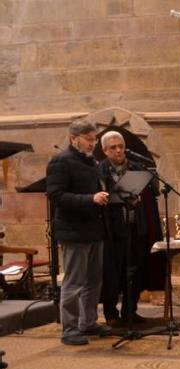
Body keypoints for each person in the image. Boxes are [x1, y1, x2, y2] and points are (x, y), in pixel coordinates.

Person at [46, 119, 110, 345]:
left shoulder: (91, 162)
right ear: (74, 139)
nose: (93, 144)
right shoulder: (61, 161)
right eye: (89, 139)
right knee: (74, 281)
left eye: (94, 139)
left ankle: (88, 323)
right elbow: (56, 196)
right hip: (73, 231)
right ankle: (70, 329)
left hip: (93, 230)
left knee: (93, 280)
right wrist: (90, 199)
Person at [99, 131, 161, 326]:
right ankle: (111, 314)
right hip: (112, 231)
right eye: (113, 147)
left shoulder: (136, 167)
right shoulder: (99, 171)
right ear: (104, 150)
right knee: (112, 272)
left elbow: (154, 192)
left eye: (121, 146)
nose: (118, 150)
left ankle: (130, 311)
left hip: (136, 226)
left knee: (135, 271)